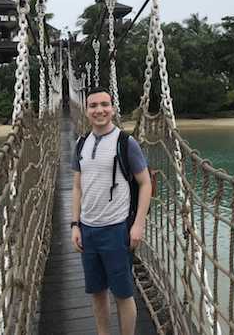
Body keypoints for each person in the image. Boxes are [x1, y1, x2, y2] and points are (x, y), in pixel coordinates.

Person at [71, 86, 152, 335]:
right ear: (86, 111)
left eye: (104, 105)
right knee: (96, 292)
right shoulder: (81, 143)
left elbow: (145, 183)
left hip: (117, 229)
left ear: (113, 109)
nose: (99, 110)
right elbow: (76, 186)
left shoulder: (126, 143)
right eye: (93, 106)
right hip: (88, 229)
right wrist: (75, 224)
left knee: (123, 293)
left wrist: (138, 225)